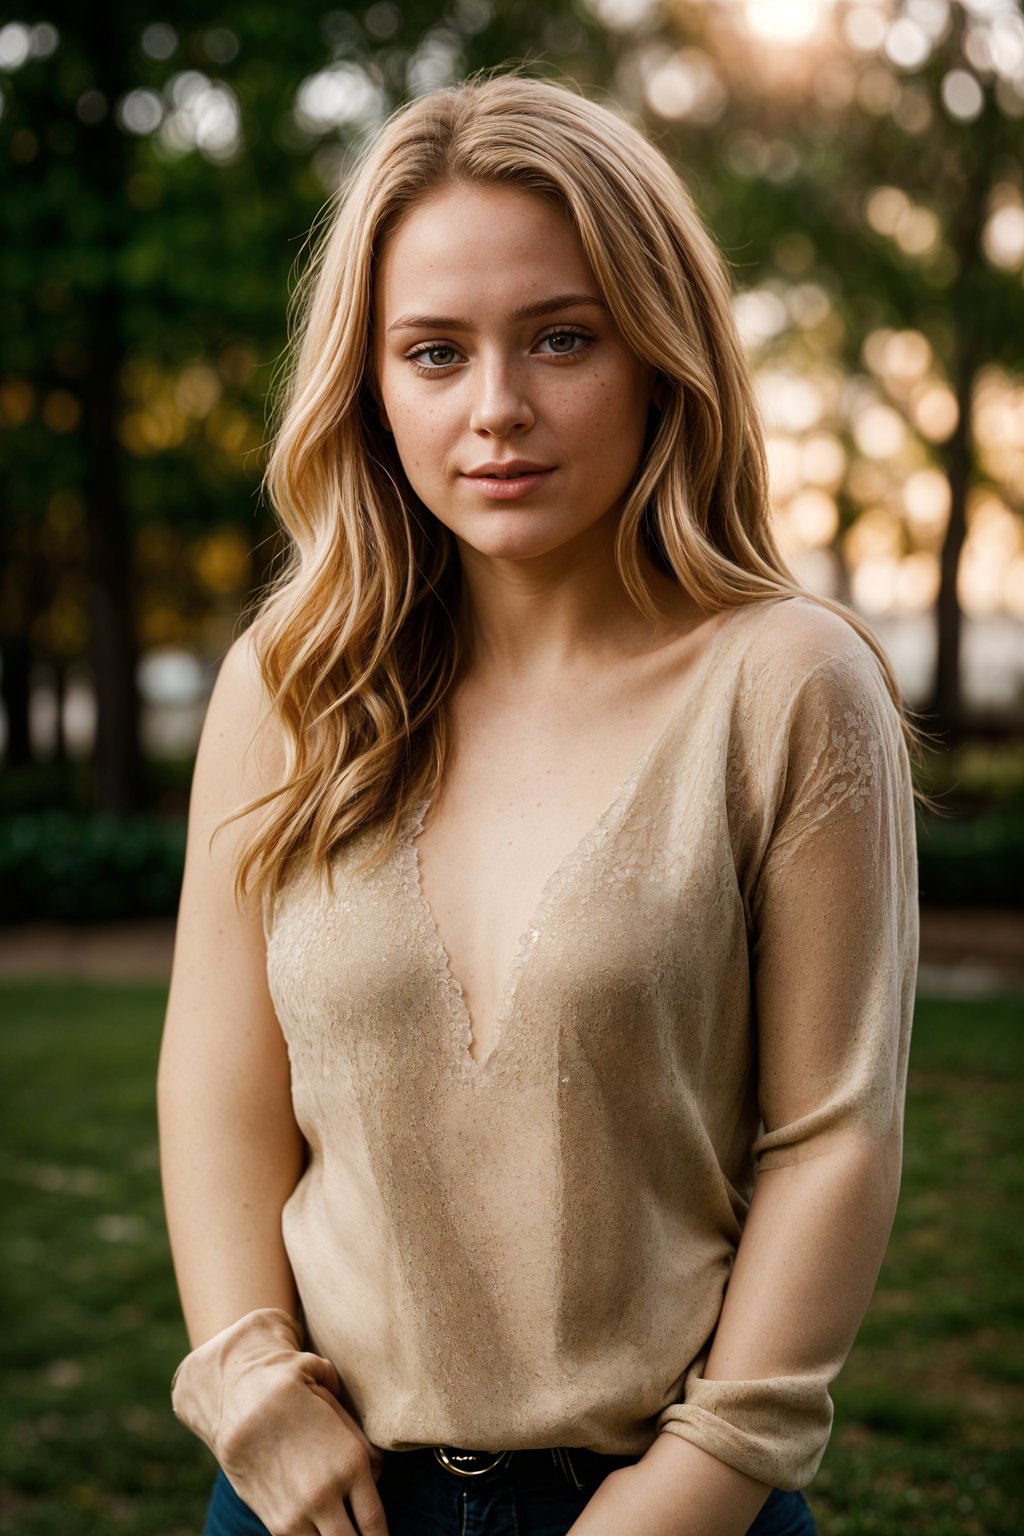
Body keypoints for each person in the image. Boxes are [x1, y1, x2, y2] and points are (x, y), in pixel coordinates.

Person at [157, 70, 926, 1536]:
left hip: (660, 1500)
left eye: (561, 338)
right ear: (371, 386)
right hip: (311, 1496)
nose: (496, 410)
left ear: (658, 353)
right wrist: (245, 1379)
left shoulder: (789, 684)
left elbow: (834, 1132)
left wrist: (696, 1483)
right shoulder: (293, 677)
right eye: (433, 352)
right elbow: (218, 1083)